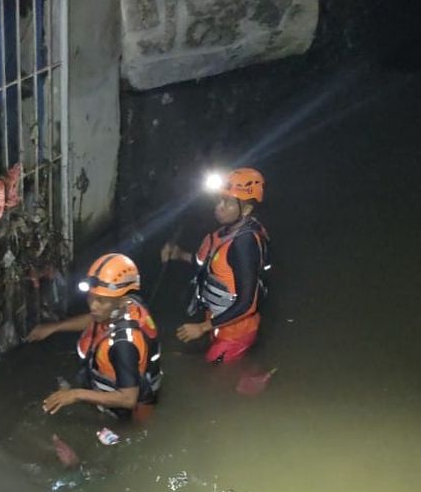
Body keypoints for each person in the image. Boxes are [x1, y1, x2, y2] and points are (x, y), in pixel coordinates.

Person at [26, 253, 162, 421]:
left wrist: (76, 395)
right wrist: (55, 327)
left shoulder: (123, 345)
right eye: (91, 297)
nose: (93, 306)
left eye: (101, 301)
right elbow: (95, 319)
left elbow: (128, 399)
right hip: (117, 383)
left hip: (125, 412)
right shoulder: (126, 306)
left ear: (121, 301)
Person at [161, 167, 270, 364]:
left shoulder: (245, 245)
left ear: (246, 209)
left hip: (236, 332)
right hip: (216, 321)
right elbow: (204, 264)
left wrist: (202, 328)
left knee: (213, 376)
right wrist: (178, 254)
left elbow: (248, 304)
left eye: (227, 202)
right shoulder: (223, 234)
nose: (218, 207)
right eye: (219, 199)